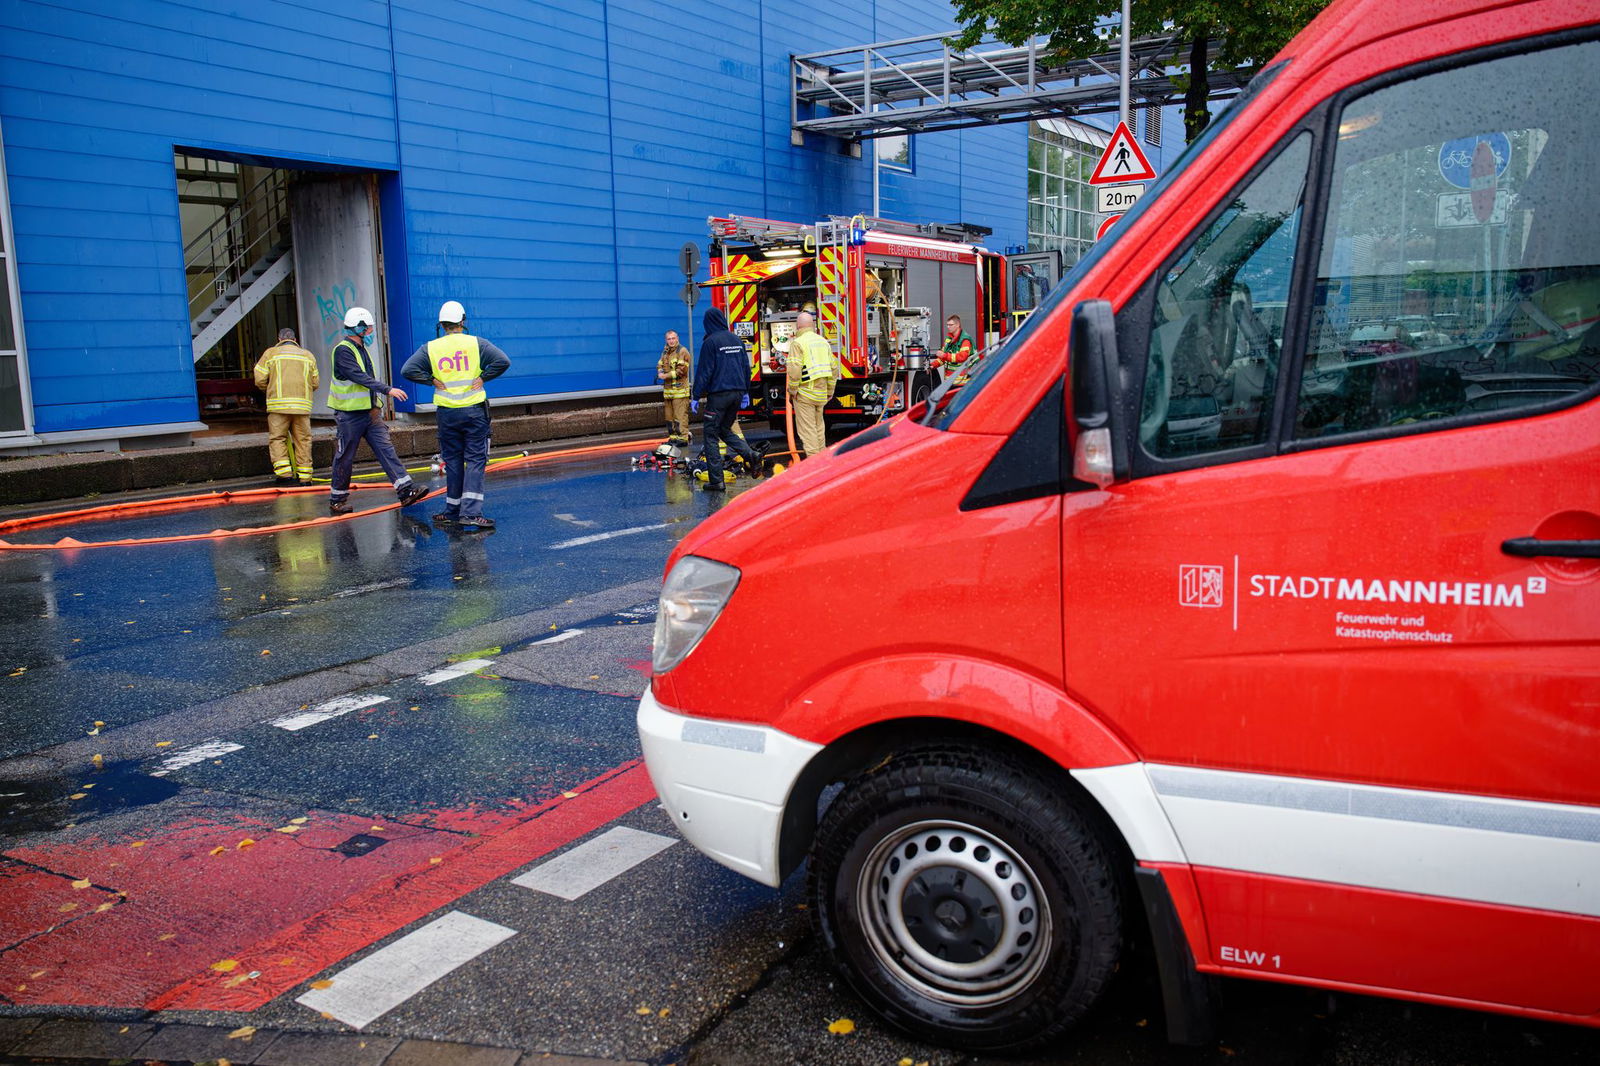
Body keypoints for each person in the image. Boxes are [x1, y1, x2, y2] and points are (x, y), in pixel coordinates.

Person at [401, 300, 511, 530]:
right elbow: (502, 361)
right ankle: (471, 512)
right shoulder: (476, 343)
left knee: (452, 461)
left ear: (441, 324)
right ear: (462, 321)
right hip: (473, 411)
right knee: (475, 460)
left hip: (447, 414)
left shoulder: (431, 347)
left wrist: (431, 380)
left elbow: (408, 370)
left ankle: (452, 510)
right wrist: (483, 377)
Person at [327, 307, 427, 515]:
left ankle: (406, 491)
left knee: (386, 450)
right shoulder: (343, 350)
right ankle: (337, 500)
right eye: (369, 327)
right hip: (350, 415)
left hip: (371, 414)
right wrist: (388, 390)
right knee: (345, 456)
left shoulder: (361, 348)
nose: (371, 331)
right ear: (358, 327)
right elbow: (358, 376)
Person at [692, 308, 762, 492]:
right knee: (724, 429)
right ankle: (751, 454)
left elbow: (704, 372)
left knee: (711, 435)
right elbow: (746, 367)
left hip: (719, 395)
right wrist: (745, 391)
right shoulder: (736, 339)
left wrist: (696, 395)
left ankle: (716, 481)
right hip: (737, 394)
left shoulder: (711, 342)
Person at [253, 327, 318, 485]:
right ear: (295, 340)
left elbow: (259, 379)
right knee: (303, 440)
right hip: (302, 408)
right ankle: (305, 478)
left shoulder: (270, 354)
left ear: (279, 339)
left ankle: (285, 475)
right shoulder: (308, 355)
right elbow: (315, 383)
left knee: (278, 439)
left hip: (278, 407)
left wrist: (270, 389)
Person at [786, 311, 836, 458]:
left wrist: (792, 390)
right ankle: (824, 461)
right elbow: (834, 368)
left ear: (798, 326)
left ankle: (815, 464)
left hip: (805, 393)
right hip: (821, 394)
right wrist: (830, 390)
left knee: (808, 431)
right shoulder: (822, 341)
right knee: (819, 428)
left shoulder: (798, 343)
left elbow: (794, 370)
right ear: (813, 325)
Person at [657, 330, 692, 445]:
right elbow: (660, 364)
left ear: (677, 338)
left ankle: (683, 438)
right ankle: (673, 438)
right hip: (668, 392)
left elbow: (681, 371)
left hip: (680, 391)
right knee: (669, 417)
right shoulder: (665, 352)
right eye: (669, 339)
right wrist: (660, 371)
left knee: (680, 416)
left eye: (673, 338)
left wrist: (664, 376)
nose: (671, 341)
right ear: (666, 340)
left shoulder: (682, 351)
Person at [933, 314, 976, 385]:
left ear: (957, 325)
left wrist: (944, 355)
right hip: (950, 382)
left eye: (951, 325)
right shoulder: (948, 339)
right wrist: (932, 365)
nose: (948, 327)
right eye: (947, 325)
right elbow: (943, 357)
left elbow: (962, 357)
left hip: (962, 382)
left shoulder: (965, 340)